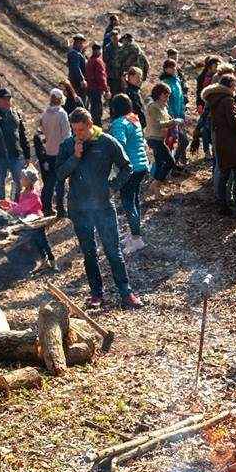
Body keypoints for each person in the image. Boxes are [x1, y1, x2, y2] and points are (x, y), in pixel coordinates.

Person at [56, 107, 141, 309]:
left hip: (103, 205)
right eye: (74, 130)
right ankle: (96, 294)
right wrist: (75, 157)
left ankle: (126, 292)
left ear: (90, 125)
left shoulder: (106, 142)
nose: (78, 134)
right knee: (89, 252)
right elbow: (59, 175)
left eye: (81, 130)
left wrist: (112, 187)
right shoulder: (69, 145)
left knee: (113, 251)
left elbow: (127, 167)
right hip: (78, 207)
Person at [202, 73, 236, 219]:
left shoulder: (213, 99)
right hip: (232, 142)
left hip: (220, 141)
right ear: (231, 86)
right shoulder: (228, 100)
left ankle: (223, 206)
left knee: (224, 174)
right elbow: (233, 121)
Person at [109, 93, 150, 254]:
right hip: (141, 165)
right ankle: (135, 233)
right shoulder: (134, 119)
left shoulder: (119, 123)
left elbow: (119, 144)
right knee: (134, 200)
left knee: (128, 202)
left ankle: (136, 239)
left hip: (130, 168)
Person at [0, 163, 55, 269]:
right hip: (29, 223)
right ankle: (44, 261)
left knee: (42, 241)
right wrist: (9, 204)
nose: (21, 180)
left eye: (23, 178)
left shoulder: (33, 195)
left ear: (29, 181)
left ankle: (52, 261)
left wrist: (10, 211)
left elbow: (22, 208)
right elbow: (20, 206)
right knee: (37, 243)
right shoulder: (24, 192)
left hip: (36, 221)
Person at [145, 82, 182, 196]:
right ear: (159, 95)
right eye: (165, 95)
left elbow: (167, 120)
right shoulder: (153, 107)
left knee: (161, 163)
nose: (167, 98)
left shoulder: (163, 107)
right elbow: (159, 123)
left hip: (160, 138)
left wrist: (174, 121)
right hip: (154, 138)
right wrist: (174, 122)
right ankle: (155, 184)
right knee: (170, 161)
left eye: (168, 96)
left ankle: (156, 189)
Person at [39, 88, 71, 217]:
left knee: (49, 181)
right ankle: (61, 209)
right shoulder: (62, 114)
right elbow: (67, 135)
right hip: (60, 152)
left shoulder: (45, 114)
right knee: (61, 181)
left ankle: (46, 207)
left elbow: (41, 133)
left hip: (49, 151)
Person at [160, 58, 188, 165]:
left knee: (183, 140)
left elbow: (181, 98)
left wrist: (183, 112)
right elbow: (165, 101)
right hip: (170, 117)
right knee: (171, 140)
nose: (173, 69)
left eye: (174, 67)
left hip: (180, 114)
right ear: (165, 69)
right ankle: (170, 162)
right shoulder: (165, 82)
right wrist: (170, 115)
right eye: (170, 67)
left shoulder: (177, 80)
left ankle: (178, 160)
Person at [85, 42, 110, 127]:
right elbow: (101, 77)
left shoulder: (89, 61)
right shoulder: (98, 61)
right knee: (97, 110)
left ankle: (93, 125)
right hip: (96, 89)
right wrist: (106, 90)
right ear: (99, 51)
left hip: (90, 88)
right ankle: (97, 126)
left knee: (93, 108)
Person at [67, 34, 88, 102]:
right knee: (78, 101)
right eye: (81, 43)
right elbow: (76, 67)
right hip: (77, 83)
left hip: (75, 81)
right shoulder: (74, 54)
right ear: (76, 43)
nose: (82, 45)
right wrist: (82, 79)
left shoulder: (77, 53)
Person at [104, 29, 121, 95]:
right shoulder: (108, 47)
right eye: (113, 37)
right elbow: (105, 60)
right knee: (112, 91)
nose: (115, 39)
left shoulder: (121, 47)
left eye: (116, 37)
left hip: (120, 74)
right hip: (111, 74)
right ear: (111, 38)